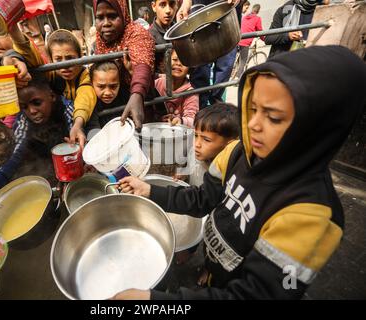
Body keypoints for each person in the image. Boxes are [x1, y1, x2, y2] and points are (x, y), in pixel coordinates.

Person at [112, 45, 366, 299]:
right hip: (216, 269)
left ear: (316, 129)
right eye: (253, 109)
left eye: (274, 117)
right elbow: (203, 199)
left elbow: (254, 295)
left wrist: (157, 301)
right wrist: (150, 190)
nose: (254, 125)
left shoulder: (311, 216)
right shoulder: (236, 153)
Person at [0, 77, 75, 211]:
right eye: (24, 107)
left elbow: (78, 142)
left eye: (37, 103)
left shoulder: (69, 110)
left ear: (52, 96)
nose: (32, 111)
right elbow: (14, 155)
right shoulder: (24, 120)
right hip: (42, 168)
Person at [175, 102, 239, 265]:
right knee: (195, 232)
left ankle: (208, 267)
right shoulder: (197, 153)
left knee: (211, 243)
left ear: (229, 144)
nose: (196, 144)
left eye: (206, 139)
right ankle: (190, 249)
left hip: (214, 217)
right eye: (196, 135)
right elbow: (190, 164)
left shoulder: (229, 175)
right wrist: (183, 174)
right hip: (197, 203)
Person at [93, 0, 155, 130]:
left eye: (112, 16)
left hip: (140, 98)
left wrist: (137, 95)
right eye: (100, 17)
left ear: (123, 14)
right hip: (113, 103)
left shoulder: (136, 32)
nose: (106, 23)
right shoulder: (100, 39)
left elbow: (142, 62)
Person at [48, 29, 97, 149]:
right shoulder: (51, 74)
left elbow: (85, 97)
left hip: (83, 123)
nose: (65, 65)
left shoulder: (86, 75)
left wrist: (78, 124)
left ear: (80, 57)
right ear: (51, 60)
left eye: (70, 58)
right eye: (58, 60)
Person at [154, 49, 198, 127]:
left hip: (177, 132)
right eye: (175, 60)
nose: (178, 64)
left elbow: (192, 119)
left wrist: (180, 121)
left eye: (184, 62)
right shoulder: (156, 84)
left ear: (190, 68)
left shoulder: (191, 92)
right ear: (166, 62)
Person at [90, 60, 130, 127]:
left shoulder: (124, 95)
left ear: (120, 83)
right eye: (101, 86)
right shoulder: (91, 102)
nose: (107, 92)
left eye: (113, 86)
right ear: (91, 84)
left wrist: (131, 72)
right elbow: (92, 127)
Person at [149, 0, 178, 74]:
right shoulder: (148, 37)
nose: (168, 10)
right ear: (154, 6)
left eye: (172, 4)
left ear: (177, 5)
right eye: (162, 5)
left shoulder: (179, 30)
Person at [236, 3, 265, 79]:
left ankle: (236, 71)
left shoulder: (245, 17)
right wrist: (264, 39)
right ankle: (237, 78)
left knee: (239, 59)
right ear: (258, 11)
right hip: (245, 42)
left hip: (238, 39)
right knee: (243, 61)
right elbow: (260, 30)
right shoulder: (257, 18)